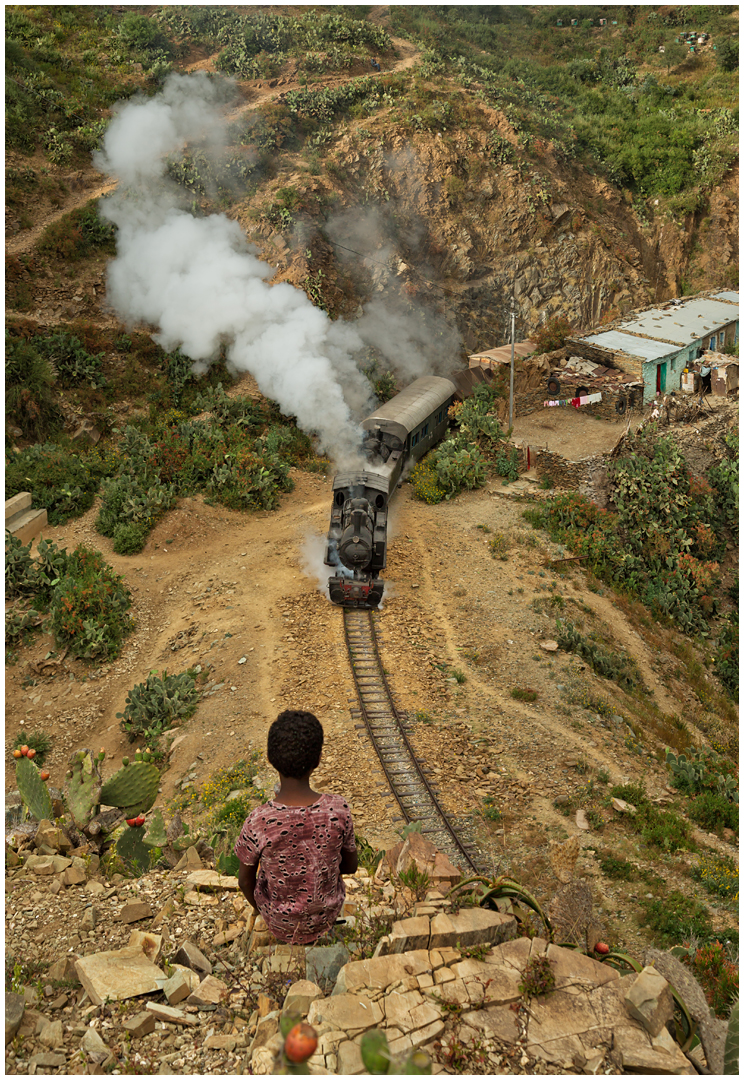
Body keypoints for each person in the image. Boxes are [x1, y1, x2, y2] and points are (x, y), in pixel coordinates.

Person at [234, 710, 358, 945]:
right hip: (327, 917)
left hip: (279, 922)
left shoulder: (259, 820)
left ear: (270, 759)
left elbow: (244, 882)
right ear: (318, 760)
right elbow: (350, 867)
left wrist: (266, 911)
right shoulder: (338, 809)